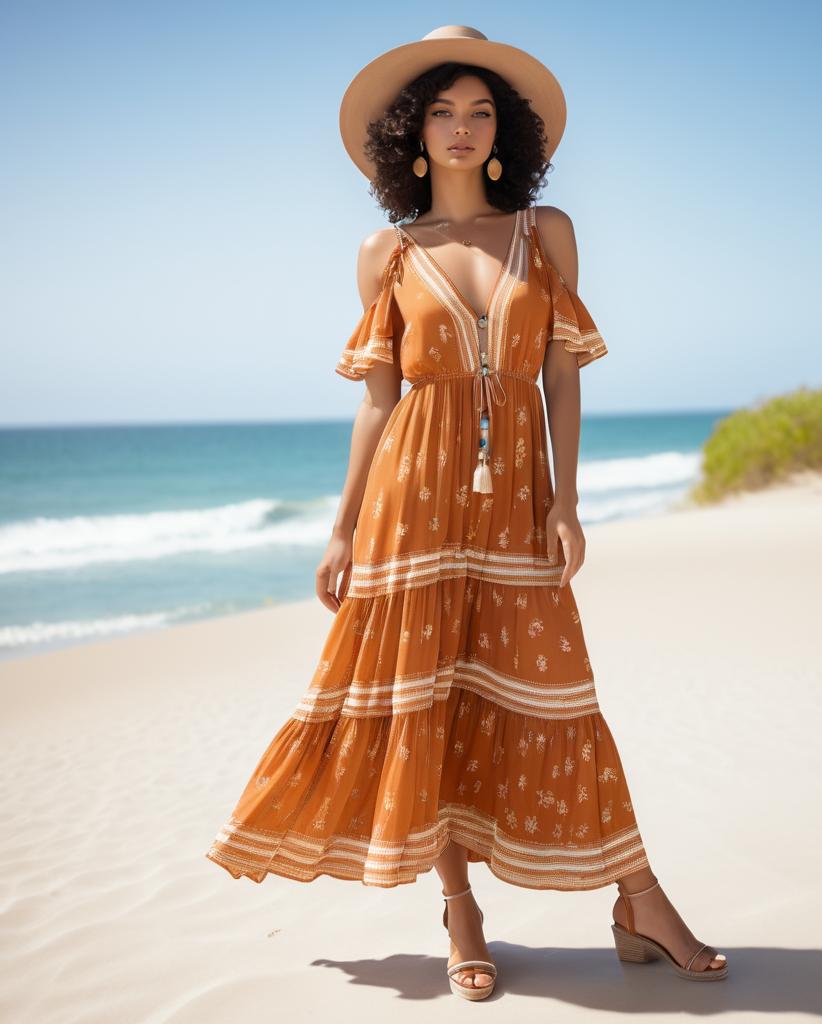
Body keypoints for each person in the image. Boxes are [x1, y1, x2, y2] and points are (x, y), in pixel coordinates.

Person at [206, 25, 727, 1000]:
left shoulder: (547, 232)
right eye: (440, 111)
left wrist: (568, 502)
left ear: (504, 133)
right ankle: (460, 912)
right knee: (428, 698)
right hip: (412, 503)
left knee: (560, 691)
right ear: (411, 131)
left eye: (478, 110)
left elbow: (563, 378)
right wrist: (341, 525)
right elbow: (378, 400)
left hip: (519, 499)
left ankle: (638, 898)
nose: (459, 126)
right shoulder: (387, 252)